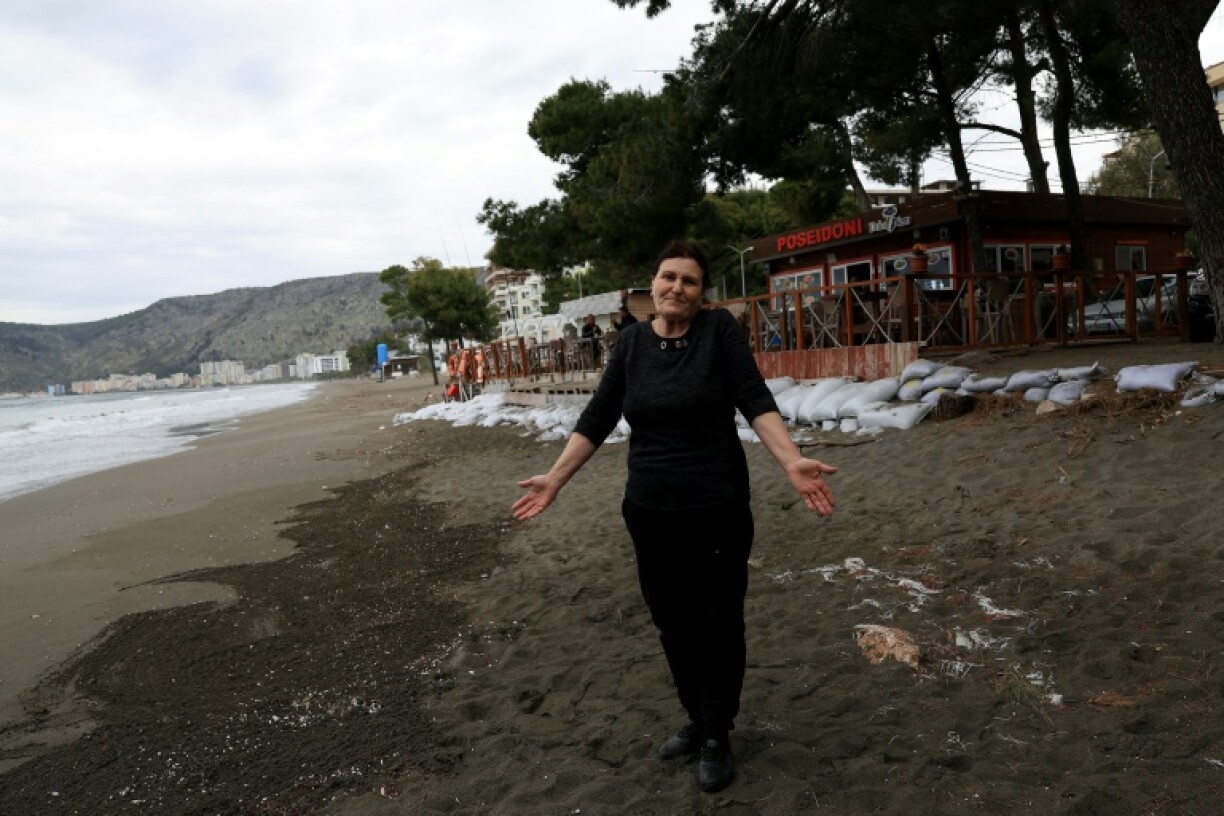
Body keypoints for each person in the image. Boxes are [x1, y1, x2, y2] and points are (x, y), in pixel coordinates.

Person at [512, 240, 836, 794]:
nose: (676, 288)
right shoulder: (632, 343)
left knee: (718, 621)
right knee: (672, 622)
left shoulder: (719, 334)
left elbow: (754, 398)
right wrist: (556, 478)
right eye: (668, 277)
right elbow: (598, 416)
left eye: (688, 281)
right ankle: (697, 716)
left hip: (718, 507)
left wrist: (790, 461)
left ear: (701, 293)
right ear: (652, 284)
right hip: (650, 511)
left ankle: (716, 733)